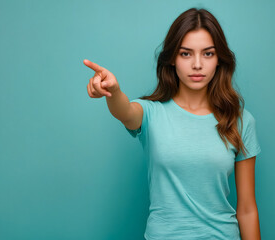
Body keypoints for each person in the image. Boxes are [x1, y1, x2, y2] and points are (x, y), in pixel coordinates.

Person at [84, 7, 262, 240]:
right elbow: (125, 111)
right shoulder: (150, 112)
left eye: (207, 53)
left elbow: (247, 209)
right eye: (186, 53)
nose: (197, 64)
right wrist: (113, 91)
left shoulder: (240, 121)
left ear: (219, 59)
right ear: (172, 60)